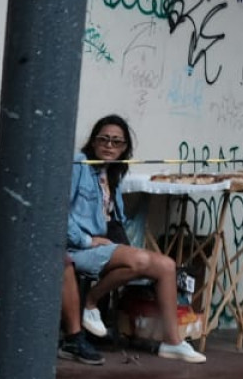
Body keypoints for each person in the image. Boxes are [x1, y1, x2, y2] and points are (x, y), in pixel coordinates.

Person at [68, 115, 206, 364]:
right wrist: (87, 240)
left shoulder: (113, 175)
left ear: (124, 148)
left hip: (104, 247)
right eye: (104, 139)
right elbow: (58, 212)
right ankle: (89, 303)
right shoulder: (79, 164)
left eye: (116, 142)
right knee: (141, 260)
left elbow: (114, 220)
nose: (109, 145)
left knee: (166, 266)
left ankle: (172, 342)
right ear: (93, 141)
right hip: (77, 247)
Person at [0, 161, 103, 365]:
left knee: (61, 260)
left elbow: (49, 222)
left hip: (24, 240)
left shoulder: (38, 181)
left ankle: (73, 338)